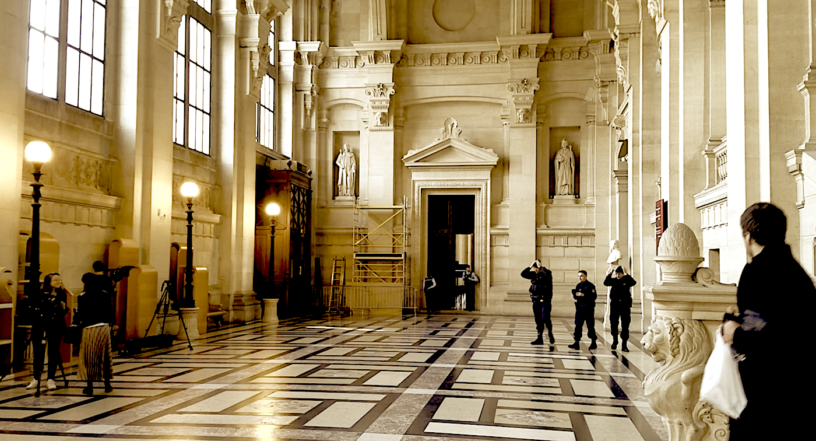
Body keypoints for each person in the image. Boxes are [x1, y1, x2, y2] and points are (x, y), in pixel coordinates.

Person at [721, 203, 814, 439]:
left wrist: (734, 331)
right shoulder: (798, 274)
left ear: (748, 236)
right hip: (799, 390)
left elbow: (773, 335)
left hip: (764, 391)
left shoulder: (756, 271)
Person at [27, 273, 71, 391]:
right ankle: (36, 378)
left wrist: (62, 307)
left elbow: (63, 311)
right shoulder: (39, 293)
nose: (58, 282)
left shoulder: (61, 293)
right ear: (49, 281)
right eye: (55, 280)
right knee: (38, 353)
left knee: (53, 352)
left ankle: (51, 378)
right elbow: (33, 308)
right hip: (40, 326)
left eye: (59, 280)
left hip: (56, 326)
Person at [76, 271, 115, 395]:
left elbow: (81, 314)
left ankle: (90, 386)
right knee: (105, 356)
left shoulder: (83, 296)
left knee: (89, 357)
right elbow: (109, 311)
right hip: (104, 327)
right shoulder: (105, 294)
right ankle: (107, 384)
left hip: (89, 328)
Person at [521, 260, 555, 345]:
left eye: (537, 268)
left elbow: (546, 273)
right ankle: (539, 338)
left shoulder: (547, 273)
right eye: (535, 268)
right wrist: (530, 266)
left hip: (545, 300)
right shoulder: (533, 275)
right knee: (538, 319)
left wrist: (540, 266)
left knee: (545, 318)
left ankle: (550, 333)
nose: (536, 270)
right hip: (535, 300)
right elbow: (523, 274)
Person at [603, 266, 636, 351]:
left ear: (622, 274)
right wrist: (610, 273)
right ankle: (615, 341)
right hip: (615, 305)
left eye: (619, 273)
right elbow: (606, 282)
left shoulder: (626, 280)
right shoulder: (613, 281)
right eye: (616, 273)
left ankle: (624, 344)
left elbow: (633, 282)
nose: (618, 275)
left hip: (625, 305)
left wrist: (626, 274)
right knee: (613, 323)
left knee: (625, 325)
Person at [569, 270, 597, 350]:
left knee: (590, 326)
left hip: (588, 309)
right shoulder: (578, 286)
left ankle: (593, 341)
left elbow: (593, 297)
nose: (579, 277)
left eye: (581, 276)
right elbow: (576, 297)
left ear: (586, 276)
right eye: (578, 276)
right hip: (579, 308)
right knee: (578, 325)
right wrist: (576, 295)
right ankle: (576, 342)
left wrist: (584, 295)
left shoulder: (591, 286)